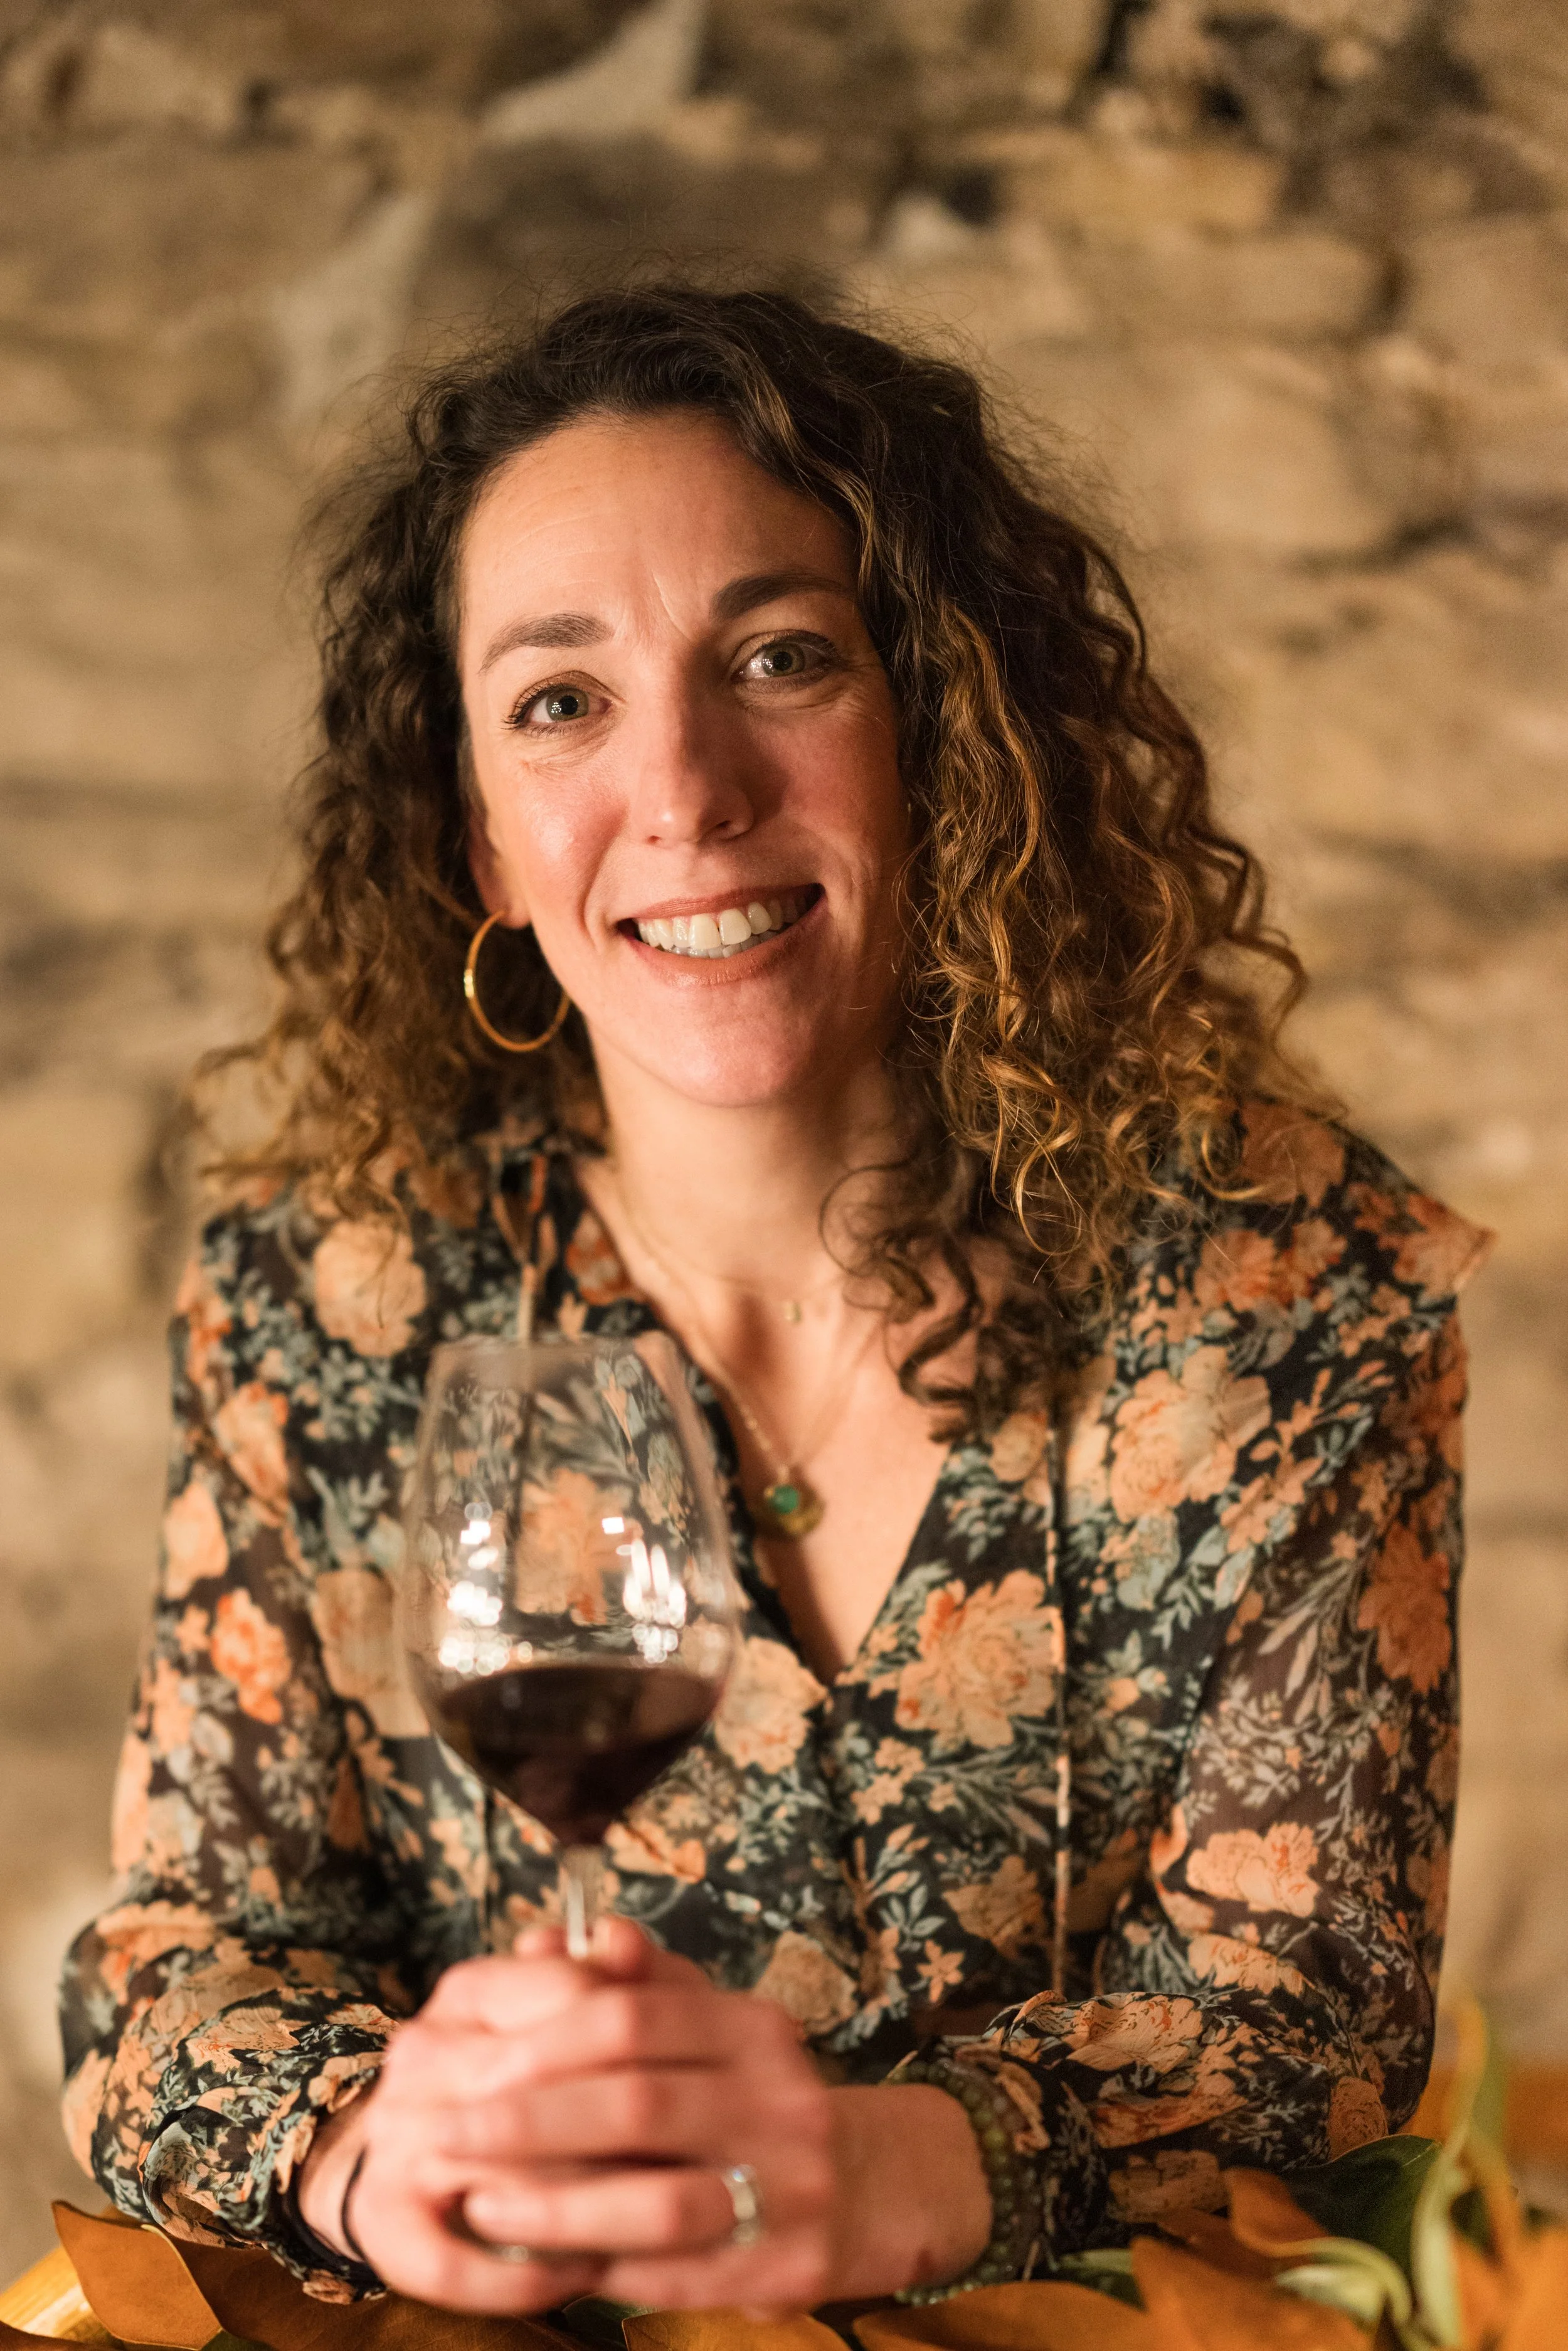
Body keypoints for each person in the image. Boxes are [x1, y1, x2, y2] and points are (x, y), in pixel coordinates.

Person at [60, 285, 1489, 2321]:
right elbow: (170, 1964)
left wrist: (889, 2168)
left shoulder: (1283, 1289)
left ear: (943, 724)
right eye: (561, 699)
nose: (689, 786)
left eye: (781, 658)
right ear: (477, 829)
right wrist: (377, 2148)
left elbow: (1308, 2024)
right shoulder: (334, 1303)